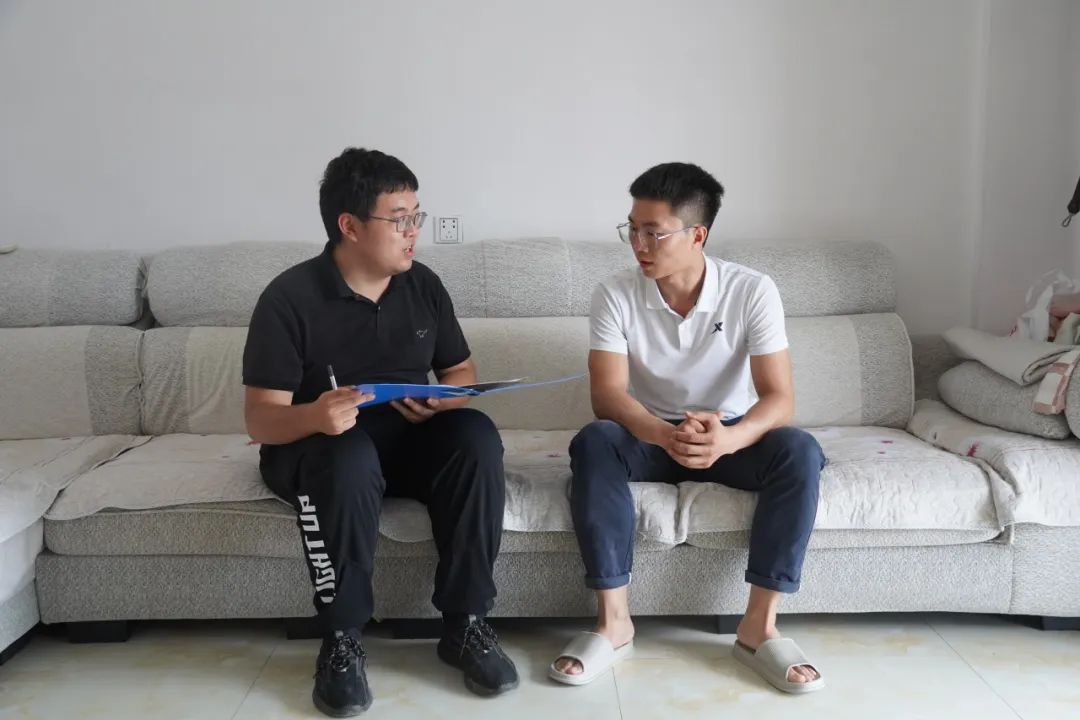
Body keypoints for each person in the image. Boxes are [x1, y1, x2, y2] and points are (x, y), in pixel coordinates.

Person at [243, 148, 518, 716]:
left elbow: (460, 371)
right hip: (319, 450)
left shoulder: (423, 286)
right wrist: (315, 416)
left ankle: (466, 623)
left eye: (417, 216)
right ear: (350, 225)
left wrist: (443, 401)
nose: (414, 231)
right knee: (346, 456)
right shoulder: (289, 298)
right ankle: (341, 639)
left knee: (476, 436)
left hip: (405, 441)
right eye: (400, 219)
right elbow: (260, 419)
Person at [549, 162, 826, 694]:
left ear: (698, 235)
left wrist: (729, 438)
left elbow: (780, 398)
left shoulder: (752, 290)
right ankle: (614, 623)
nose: (638, 244)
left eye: (653, 232)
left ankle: (759, 627)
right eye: (632, 229)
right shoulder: (614, 293)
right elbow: (607, 396)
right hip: (650, 434)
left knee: (799, 450)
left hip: (731, 434)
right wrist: (662, 433)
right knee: (595, 440)